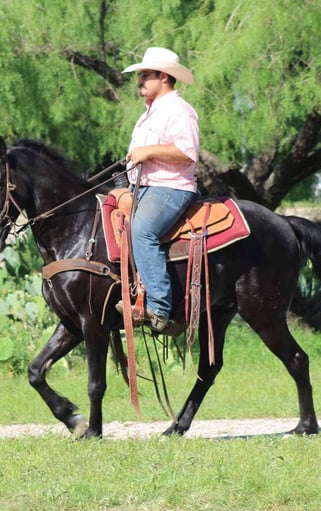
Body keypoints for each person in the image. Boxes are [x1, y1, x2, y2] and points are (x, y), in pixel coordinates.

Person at [119, 47, 199, 333]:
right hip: (144, 186)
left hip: (171, 187)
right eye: (139, 76)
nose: (139, 80)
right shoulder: (150, 112)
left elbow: (187, 152)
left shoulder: (179, 111)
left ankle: (159, 308)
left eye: (145, 75)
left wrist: (149, 151)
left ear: (163, 76)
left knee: (142, 230)